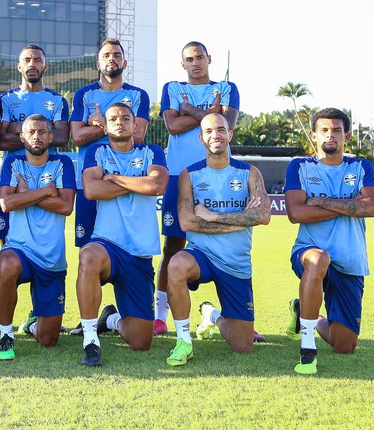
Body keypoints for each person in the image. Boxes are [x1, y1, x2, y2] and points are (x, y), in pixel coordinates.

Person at [164, 113, 271, 366]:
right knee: (176, 263)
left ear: (230, 134)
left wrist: (213, 216)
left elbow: (263, 215)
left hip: (236, 264)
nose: (216, 135)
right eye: (209, 131)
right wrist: (242, 218)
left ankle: (211, 315)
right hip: (202, 255)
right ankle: (183, 341)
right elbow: (187, 223)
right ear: (201, 138)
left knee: (242, 346)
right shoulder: (189, 175)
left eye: (221, 130)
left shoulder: (250, 173)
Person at [284, 107, 374, 375]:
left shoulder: (361, 166)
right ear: (314, 136)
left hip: (350, 260)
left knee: (344, 345)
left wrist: (322, 201)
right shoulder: (300, 166)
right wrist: (351, 204)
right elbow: (296, 212)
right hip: (309, 251)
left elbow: (372, 207)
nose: (331, 135)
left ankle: (305, 311)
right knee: (318, 259)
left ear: (346, 136)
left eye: (336, 130)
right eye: (324, 130)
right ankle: (307, 347)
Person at [156, 41, 240, 336]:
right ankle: (160, 315)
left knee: (227, 244)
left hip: (216, 176)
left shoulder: (228, 87)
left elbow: (224, 125)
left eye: (200, 57)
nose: (196, 63)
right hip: (178, 175)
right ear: (183, 64)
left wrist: (189, 110)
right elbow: (172, 127)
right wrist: (207, 112)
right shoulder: (172, 88)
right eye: (189, 59)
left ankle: (231, 314)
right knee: (172, 246)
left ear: (209, 59)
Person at [74, 103, 167, 366]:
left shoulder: (152, 152)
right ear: (105, 125)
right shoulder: (97, 152)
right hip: (108, 244)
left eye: (126, 118)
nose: (120, 122)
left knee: (141, 342)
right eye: (113, 118)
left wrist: (113, 178)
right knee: (89, 255)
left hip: (139, 252)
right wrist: (137, 183)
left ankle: (111, 320)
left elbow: (156, 185)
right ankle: (91, 340)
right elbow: (92, 190)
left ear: (135, 125)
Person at [0, 115, 76, 360]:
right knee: (7, 264)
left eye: (42, 132)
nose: (37, 137)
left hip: (51, 257)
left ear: (51, 137)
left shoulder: (63, 163)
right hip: (20, 248)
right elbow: (7, 203)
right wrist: (45, 191)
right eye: (31, 132)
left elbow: (66, 207)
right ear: (22, 137)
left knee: (48, 340)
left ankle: (31, 324)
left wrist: (27, 194)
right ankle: (6, 335)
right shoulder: (13, 162)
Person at [70, 38, 151, 248]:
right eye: (106, 56)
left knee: (128, 246)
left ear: (124, 63)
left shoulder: (138, 95)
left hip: (128, 177)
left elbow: (138, 134)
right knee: (88, 249)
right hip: (92, 179)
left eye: (116, 55)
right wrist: (114, 126)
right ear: (98, 64)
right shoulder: (84, 95)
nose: (111, 59)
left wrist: (101, 124)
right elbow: (77, 137)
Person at [0, 44, 70, 242]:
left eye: (37, 60)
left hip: (48, 175)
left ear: (45, 67)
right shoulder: (6, 99)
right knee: (7, 238)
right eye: (27, 60)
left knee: (47, 234)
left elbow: (62, 138)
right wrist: (42, 132)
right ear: (19, 67)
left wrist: (16, 126)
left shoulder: (56, 100)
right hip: (13, 174)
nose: (32, 64)